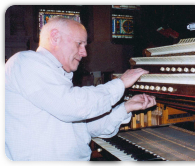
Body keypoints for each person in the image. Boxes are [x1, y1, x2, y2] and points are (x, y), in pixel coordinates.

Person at [5, 16, 156, 161]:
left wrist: (126, 108)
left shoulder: (58, 77)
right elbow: (73, 107)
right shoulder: (26, 62)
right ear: (55, 37)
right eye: (79, 44)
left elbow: (87, 128)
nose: (84, 53)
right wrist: (120, 83)